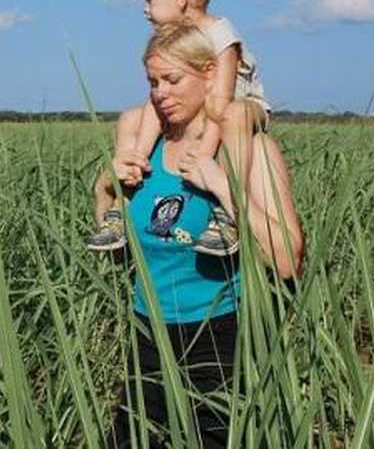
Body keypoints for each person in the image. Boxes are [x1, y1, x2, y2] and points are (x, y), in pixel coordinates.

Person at [105, 23, 303, 448]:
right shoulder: (145, 152)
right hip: (148, 335)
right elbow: (116, 253)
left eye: (173, 80)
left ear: (210, 73)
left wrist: (222, 185)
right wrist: (107, 186)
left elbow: (288, 260)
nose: (161, 93)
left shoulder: (251, 150)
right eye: (152, 82)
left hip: (221, 340)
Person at [87, 0, 270, 257]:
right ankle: (121, 205)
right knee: (134, 117)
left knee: (235, 115)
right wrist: (137, 155)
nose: (145, 8)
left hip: (241, 105)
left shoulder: (221, 36)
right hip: (207, 107)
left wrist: (203, 156)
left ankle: (227, 215)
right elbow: (157, 98)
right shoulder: (176, 37)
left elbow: (220, 101)